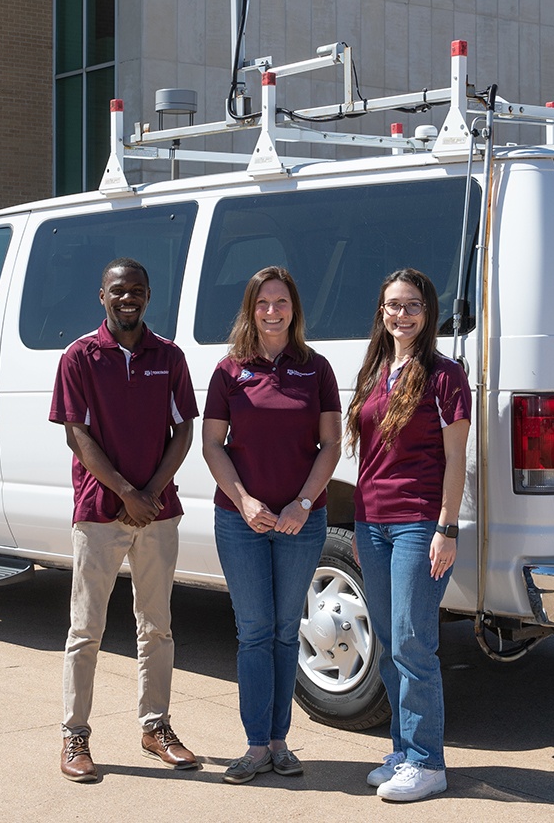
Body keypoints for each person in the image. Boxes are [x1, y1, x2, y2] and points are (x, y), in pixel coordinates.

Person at [48, 257, 200, 783]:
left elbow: (183, 432)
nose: (127, 298)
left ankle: (155, 726)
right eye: (118, 291)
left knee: (157, 628)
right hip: (98, 513)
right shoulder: (80, 358)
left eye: (136, 290)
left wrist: (151, 493)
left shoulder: (170, 357)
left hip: (157, 514)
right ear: (102, 296)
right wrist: (126, 493)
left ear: (148, 295)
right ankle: (75, 736)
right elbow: (78, 436)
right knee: (85, 630)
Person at [202, 266, 342, 784]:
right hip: (241, 520)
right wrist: (244, 501)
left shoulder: (317, 368)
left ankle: (281, 743)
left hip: (300, 520)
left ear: (294, 309)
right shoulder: (230, 370)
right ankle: (255, 745)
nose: (272, 311)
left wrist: (302, 503)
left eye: (281, 302)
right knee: (254, 631)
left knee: (287, 631)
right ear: (250, 309)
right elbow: (212, 444)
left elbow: (332, 444)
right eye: (263, 303)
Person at [345, 268, 470, 803]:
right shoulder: (375, 371)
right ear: (381, 311)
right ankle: (402, 750)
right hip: (371, 523)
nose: (402, 315)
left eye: (412, 306)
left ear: (429, 312)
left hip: (420, 522)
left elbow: (457, 458)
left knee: (414, 639)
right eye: (393, 305)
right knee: (391, 642)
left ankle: (427, 762)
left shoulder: (444, 376)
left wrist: (447, 526)